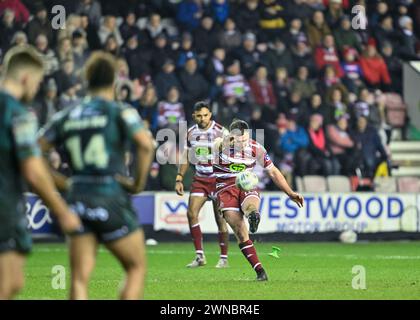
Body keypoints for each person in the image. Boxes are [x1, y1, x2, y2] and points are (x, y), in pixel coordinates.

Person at [38, 52, 155, 300]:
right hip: (110, 193)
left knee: (80, 279)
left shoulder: (66, 115)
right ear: (113, 80)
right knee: (135, 268)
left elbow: (34, 151)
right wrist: (136, 183)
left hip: (77, 196)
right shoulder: (121, 112)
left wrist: (64, 182)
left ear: (87, 79)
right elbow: (145, 145)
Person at [0, 45, 81, 299]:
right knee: (8, 282)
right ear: (25, 78)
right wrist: (61, 211)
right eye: (36, 82)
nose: (36, 89)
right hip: (4, 208)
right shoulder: (18, 114)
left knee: (12, 282)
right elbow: (33, 170)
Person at [213, 119, 303, 281]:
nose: (243, 143)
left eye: (245, 139)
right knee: (240, 231)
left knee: (251, 207)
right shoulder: (220, 145)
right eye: (240, 140)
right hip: (226, 189)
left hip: (247, 184)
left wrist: (290, 193)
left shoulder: (256, 148)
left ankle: (253, 215)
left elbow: (273, 172)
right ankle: (260, 272)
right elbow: (216, 146)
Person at [176, 101, 230, 269]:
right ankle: (200, 256)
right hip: (200, 179)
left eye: (205, 115)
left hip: (218, 180)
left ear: (210, 115)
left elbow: (233, 156)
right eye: (199, 116)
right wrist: (179, 177)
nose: (202, 118)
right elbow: (185, 157)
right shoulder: (190, 133)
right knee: (191, 214)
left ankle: (224, 258)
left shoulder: (221, 132)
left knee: (220, 220)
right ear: (194, 116)